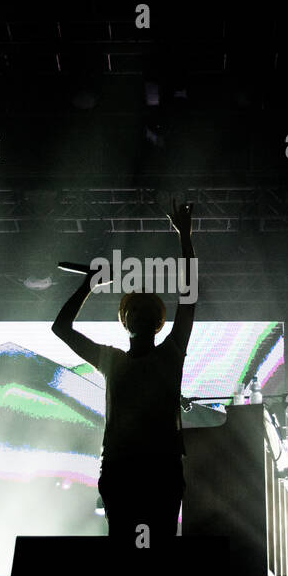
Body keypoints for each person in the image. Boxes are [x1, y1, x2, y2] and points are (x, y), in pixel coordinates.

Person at [52, 199, 196, 549]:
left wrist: (185, 238)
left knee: (136, 547)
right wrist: (89, 284)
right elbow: (61, 327)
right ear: (129, 321)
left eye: (144, 311)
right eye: (138, 310)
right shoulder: (148, 356)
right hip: (139, 470)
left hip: (142, 469)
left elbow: (190, 299)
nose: (141, 315)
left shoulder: (134, 358)